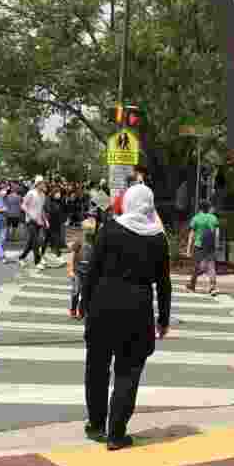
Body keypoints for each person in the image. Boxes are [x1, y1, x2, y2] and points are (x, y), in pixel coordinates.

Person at [82, 184, 172, 450]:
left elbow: (93, 270)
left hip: (102, 304)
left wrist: (83, 303)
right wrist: (163, 318)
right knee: (128, 371)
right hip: (138, 308)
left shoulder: (109, 229)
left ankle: (97, 424)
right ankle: (116, 433)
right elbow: (163, 283)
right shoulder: (158, 238)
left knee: (97, 368)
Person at [185, 200, 219, 296]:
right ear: (208, 208)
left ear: (199, 208)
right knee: (211, 266)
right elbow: (217, 233)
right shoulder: (213, 218)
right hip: (210, 246)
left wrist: (188, 249)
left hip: (198, 245)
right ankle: (212, 287)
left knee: (197, 266)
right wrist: (216, 245)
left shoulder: (195, 218)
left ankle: (192, 286)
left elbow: (191, 235)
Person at [68, 218, 96, 319]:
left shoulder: (95, 242)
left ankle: (81, 311)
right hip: (77, 271)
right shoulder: (79, 241)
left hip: (88, 272)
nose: (88, 233)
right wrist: (70, 269)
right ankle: (73, 309)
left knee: (85, 293)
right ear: (83, 230)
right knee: (76, 290)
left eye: (90, 230)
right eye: (87, 230)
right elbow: (72, 254)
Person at [18, 176, 48, 269]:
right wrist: (30, 215)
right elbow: (23, 205)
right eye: (42, 183)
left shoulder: (43, 195)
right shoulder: (31, 193)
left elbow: (41, 209)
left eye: (44, 183)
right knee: (36, 241)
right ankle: (37, 262)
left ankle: (21, 258)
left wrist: (45, 220)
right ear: (37, 184)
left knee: (31, 242)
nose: (44, 184)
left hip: (39, 221)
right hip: (30, 221)